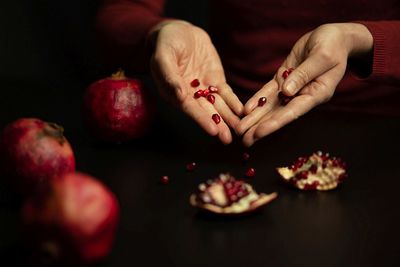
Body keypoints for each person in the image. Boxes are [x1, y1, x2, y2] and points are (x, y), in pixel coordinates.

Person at [95, 0, 400, 146]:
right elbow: (120, 10)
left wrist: (364, 40)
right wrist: (158, 30)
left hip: (382, 133)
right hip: (232, 118)